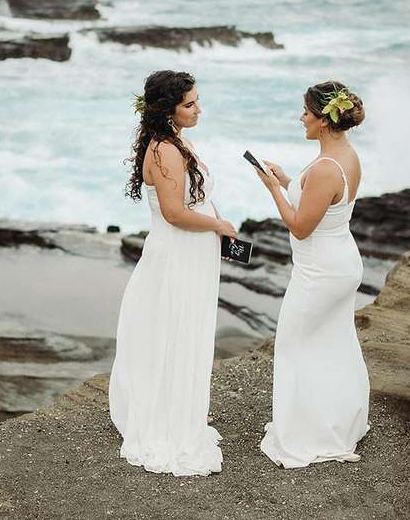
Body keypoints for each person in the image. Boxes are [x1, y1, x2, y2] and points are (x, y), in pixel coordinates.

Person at [108, 69, 236, 476]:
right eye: (189, 104)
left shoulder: (176, 139)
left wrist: (217, 221)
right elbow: (175, 213)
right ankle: (169, 418)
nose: (198, 109)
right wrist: (217, 226)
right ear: (168, 110)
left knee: (186, 329)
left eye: (197, 100)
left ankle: (182, 406)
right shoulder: (165, 150)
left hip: (193, 252)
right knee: (173, 329)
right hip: (177, 253)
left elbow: (192, 200)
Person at [254, 80, 370, 468]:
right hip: (339, 263)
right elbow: (322, 205)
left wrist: (273, 190)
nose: (301, 118)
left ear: (322, 120)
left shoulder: (324, 168)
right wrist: (289, 181)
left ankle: (308, 433)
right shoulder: (346, 156)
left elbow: (301, 226)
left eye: (306, 112)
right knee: (333, 343)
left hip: (321, 272)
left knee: (292, 344)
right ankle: (338, 421)